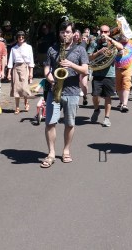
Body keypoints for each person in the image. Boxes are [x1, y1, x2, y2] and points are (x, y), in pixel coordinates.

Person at [41, 21, 89, 168]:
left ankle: (66, 150)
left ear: (73, 33)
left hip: (72, 91)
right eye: (62, 32)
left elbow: (85, 70)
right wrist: (50, 78)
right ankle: (51, 153)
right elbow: (47, 68)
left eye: (68, 32)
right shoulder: (52, 49)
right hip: (54, 90)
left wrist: (71, 64)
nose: (65, 35)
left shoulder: (80, 50)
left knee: (69, 123)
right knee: (50, 123)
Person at [89, 25, 124, 127]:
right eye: (102, 31)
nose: (103, 34)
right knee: (95, 95)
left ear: (109, 32)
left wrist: (110, 39)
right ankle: (96, 109)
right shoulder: (95, 42)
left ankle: (106, 118)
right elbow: (89, 57)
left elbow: (121, 48)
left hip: (109, 74)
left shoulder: (112, 42)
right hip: (97, 72)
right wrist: (99, 52)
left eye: (106, 32)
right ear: (99, 32)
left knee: (108, 96)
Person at [8, 31, 34, 114]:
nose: (21, 38)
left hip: (25, 68)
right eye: (19, 37)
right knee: (16, 88)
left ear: (24, 38)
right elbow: (10, 61)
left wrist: (31, 73)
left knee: (24, 87)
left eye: (22, 37)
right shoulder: (13, 48)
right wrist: (9, 73)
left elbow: (31, 61)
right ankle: (17, 107)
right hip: (16, 68)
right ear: (17, 38)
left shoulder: (28, 47)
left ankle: (26, 102)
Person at [114, 35, 132, 112]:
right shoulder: (117, 43)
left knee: (126, 85)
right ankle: (121, 101)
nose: (125, 37)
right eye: (123, 36)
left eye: (126, 36)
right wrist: (118, 53)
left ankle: (125, 104)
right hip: (117, 68)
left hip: (128, 68)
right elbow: (111, 54)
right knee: (118, 86)